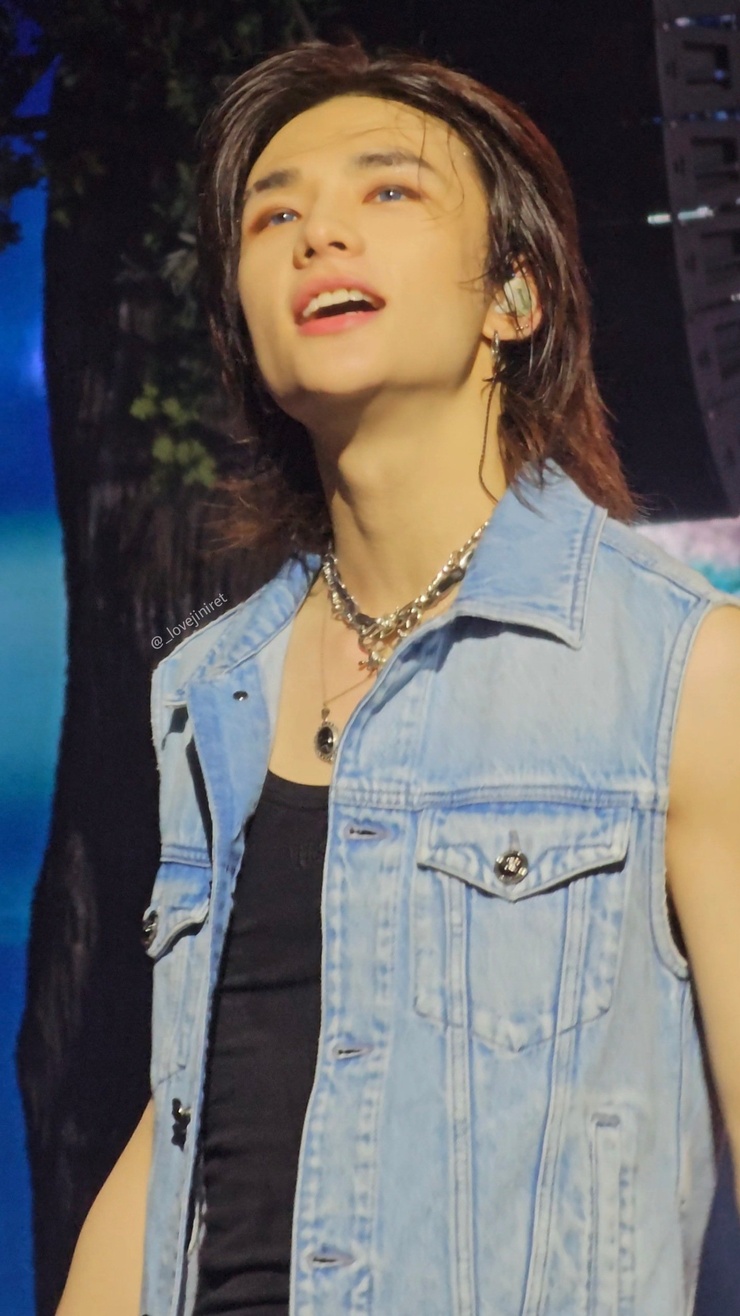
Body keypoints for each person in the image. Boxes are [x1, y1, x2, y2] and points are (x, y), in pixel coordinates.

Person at [56, 36, 740, 1316]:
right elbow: (196, 1113)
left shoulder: (681, 670)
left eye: (386, 190)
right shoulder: (209, 690)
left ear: (513, 298)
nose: (317, 232)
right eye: (273, 215)